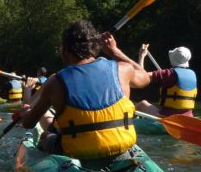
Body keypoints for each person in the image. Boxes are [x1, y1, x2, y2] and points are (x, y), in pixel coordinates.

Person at [16, 20, 151, 162]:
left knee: (45, 137)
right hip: (121, 148)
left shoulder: (56, 81)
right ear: (94, 46)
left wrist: (25, 114)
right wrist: (115, 51)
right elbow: (145, 77)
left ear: (66, 50)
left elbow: (28, 124)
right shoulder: (123, 69)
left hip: (77, 153)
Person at [135, 45, 196, 117]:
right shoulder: (193, 74)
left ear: (173, 59)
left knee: (142, 104)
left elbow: (141, 77)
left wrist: (141, 56)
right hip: (188, 117)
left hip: (168, 117)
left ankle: (127, 123)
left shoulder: (168, 74)